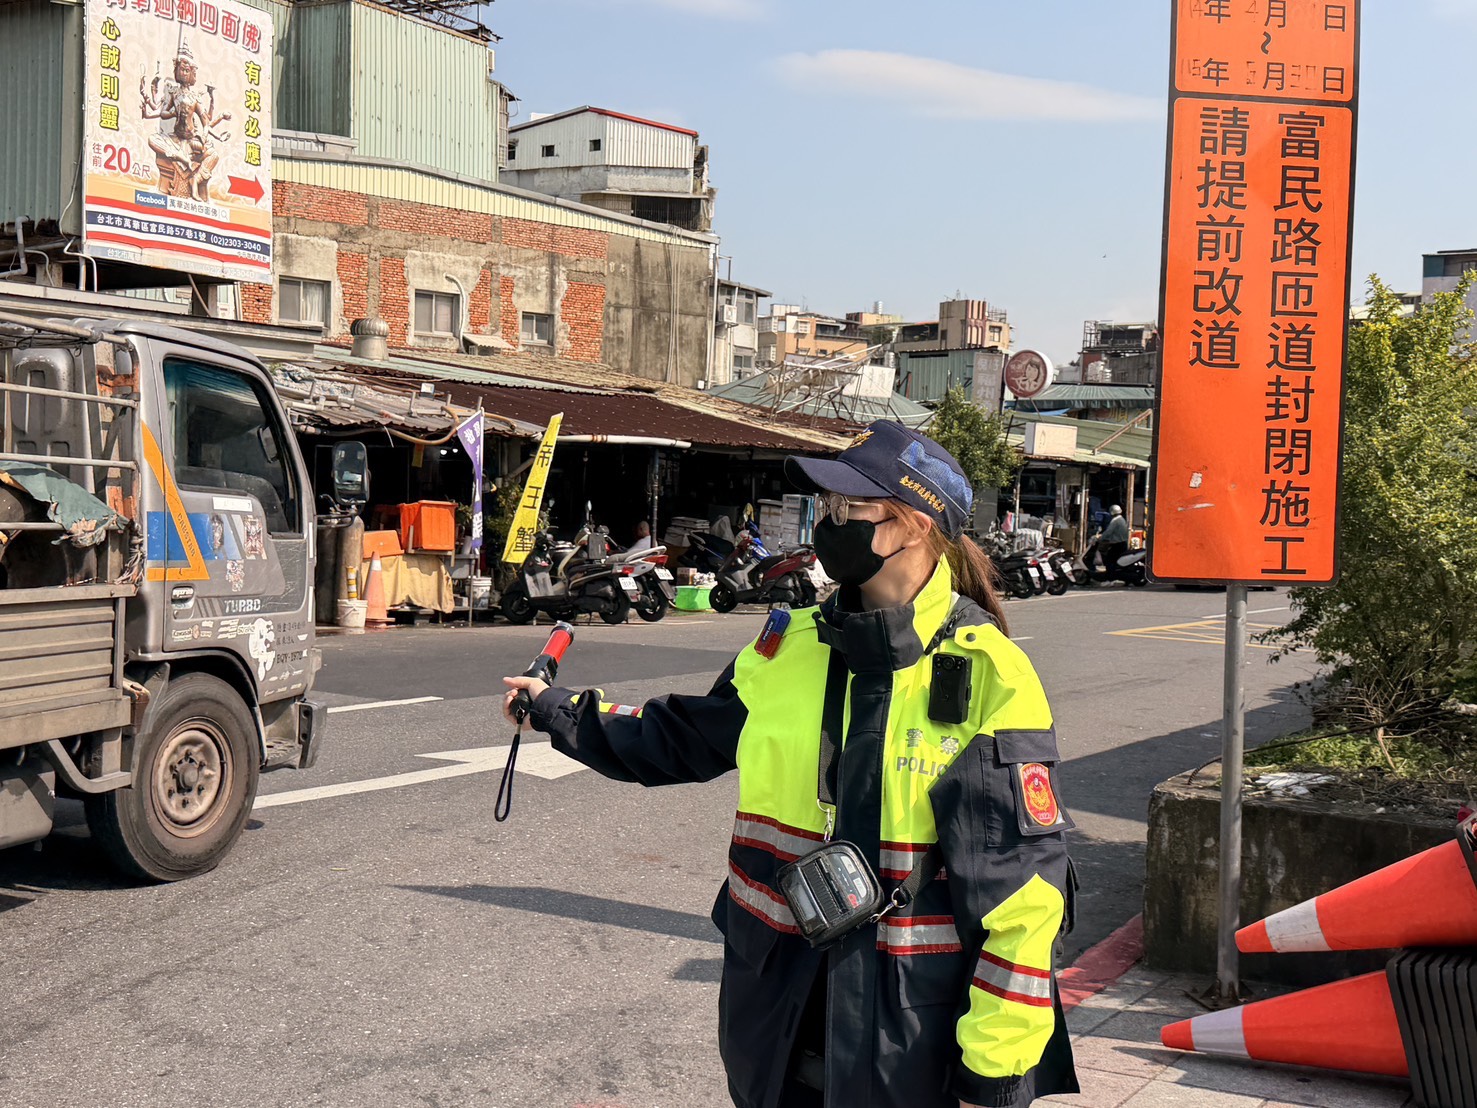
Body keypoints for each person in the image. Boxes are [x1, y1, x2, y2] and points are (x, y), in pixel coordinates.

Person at [503, 421, 1078, 1108]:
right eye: (827, 509)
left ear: (914, 524)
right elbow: (679, 737)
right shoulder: (787, 646)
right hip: (771, 1015)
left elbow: (1023, 902)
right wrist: (556, 709)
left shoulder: (990, 674)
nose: (828, 525)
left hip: (907, 1037)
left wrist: (993, 1071)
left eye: (849, 510)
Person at [1095, 505, 1130, 576]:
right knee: (1116, 560)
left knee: (1109, 560)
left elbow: (1108, 532)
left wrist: (1100, 538)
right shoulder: (1122, 519)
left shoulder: (1115, 521)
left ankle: (1111, 575)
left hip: (1117, 545)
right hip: (1123, 543)